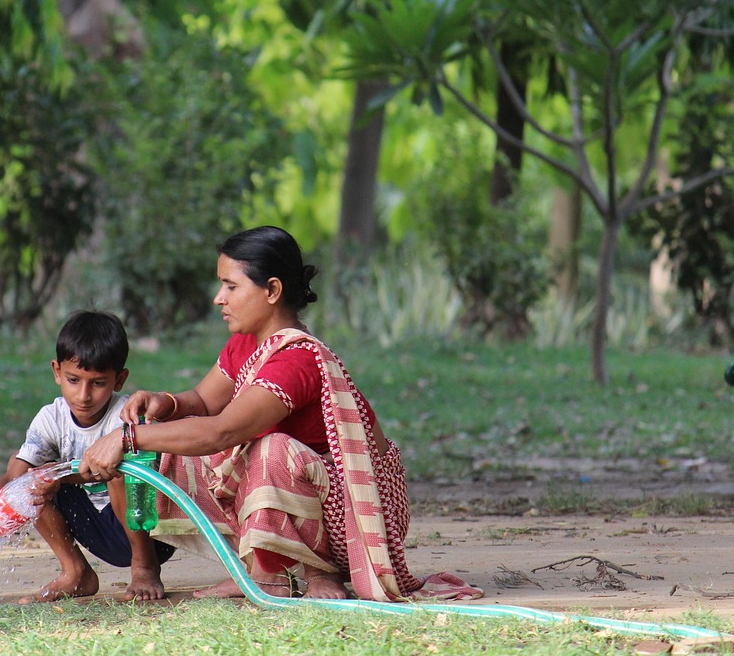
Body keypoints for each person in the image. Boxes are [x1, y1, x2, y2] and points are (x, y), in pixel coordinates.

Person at [78, 226, 482, 602]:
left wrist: (125, 437)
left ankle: (310, 571)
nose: (220, 297)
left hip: (351, 517)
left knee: (269, 450)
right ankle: (262, 567)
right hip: (308, 497)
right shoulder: (245, 344)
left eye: (230, 286)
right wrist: (166, 403)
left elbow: (220, 432)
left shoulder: (296, 360)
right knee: (168, 445)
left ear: (272, 290)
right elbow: (202, 402)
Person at [0, 309, 175, 602]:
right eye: (73, 380)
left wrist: (61, 477)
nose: (83, 395)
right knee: (31, 481)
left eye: (98, 383)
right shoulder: (50, 419)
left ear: (119, 380)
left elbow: (106, 471)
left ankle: (144, 567)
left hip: (147, 529)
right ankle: (76, 572)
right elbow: (13, 476)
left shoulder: (125, 416)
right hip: (97, 527)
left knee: (121, 469)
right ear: (57, 371)